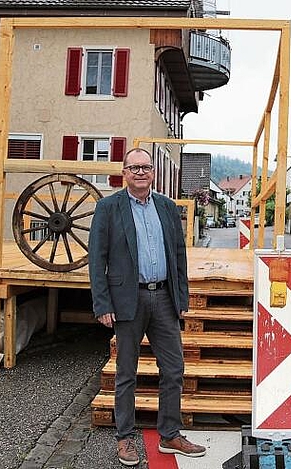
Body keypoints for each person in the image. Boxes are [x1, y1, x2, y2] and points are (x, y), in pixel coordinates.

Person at [88, 147, 206, 466]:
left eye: (146, 168)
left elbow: (179, 256)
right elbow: (97, 260)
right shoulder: (108, 208)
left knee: (174, 368)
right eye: (134, 168)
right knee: (126, 372)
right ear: (124, 173)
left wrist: (182, 298)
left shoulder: (167, 208)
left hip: (164, 298)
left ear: (153, 173)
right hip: (128, 300)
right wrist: (102, 304)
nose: (140, 173)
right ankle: (125, 438)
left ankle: (169, 434)